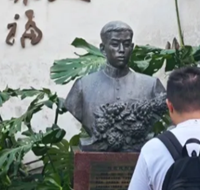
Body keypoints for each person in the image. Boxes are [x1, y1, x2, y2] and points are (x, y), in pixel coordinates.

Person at [64, 21, 165, 149]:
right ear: (103, 49)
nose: (121, 50)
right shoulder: (82, 86)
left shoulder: (152, 86)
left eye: (126, 44)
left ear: (132, 47)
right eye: (115, 44)